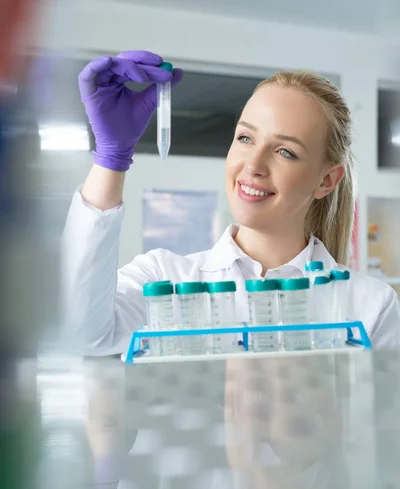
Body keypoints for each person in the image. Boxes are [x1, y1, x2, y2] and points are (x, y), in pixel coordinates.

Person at [62, 50, 400, 355]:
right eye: (245, 138)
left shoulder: (371, 306)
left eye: (285, 151)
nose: (252, 165)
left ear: (326, 181)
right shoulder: (165, 278)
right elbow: (85, 335)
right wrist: (111, 158)